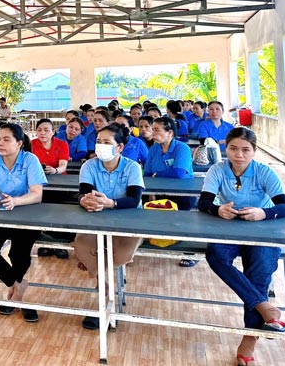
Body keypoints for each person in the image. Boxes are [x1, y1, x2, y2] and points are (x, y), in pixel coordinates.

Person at [199, 128, 285, 365]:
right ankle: (263, 306)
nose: (238, 155)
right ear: (226, 148)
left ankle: (248, 341)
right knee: (216, 255)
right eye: (233, 148)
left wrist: (264, 212)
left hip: (261, 230)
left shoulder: (264, 172)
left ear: (254, 151)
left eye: (245, 150)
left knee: (259, 271)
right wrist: (217, 209)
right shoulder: (217, 170)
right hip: (229, 229)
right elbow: (204, 202)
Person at [74, 123, 145, 330]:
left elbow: (133, 200)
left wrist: (111, 203)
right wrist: (84, 201)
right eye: (98, 142)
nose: (101, 146)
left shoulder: (132, 167)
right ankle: (105, 293)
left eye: (106, 142)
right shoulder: (89, 166)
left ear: (120, 147)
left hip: (129, 219)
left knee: (120, 254)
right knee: (81, 245)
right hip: (96, 218)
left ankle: (99, 279)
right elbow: (83, 192)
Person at [0, 123, 46, 323]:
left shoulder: (30, 160)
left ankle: (18, 297)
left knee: (18, 253)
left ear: (19, 143)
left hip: (27, 212)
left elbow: (37, 194)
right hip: (0, 212)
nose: (0, 143)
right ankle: (17, 284)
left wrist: (16, 201)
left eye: (6, 140)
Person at [144, 117, 197, 267]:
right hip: (161, 191)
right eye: (152, 129)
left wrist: (158, 175)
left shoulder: (182, 148)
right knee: (163, 220)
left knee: (183, 222)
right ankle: (164, 244)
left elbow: (179, 173)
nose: (152, 132)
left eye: (156, 129)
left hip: (183, 193)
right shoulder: (154, 149)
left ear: (170, 133)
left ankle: (189, 254)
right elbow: (147, 173)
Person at [31, 119, 73, 259]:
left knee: (59, 212)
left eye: (46, 130)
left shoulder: (62, 144)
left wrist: (55, 170)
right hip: (39, 183)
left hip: (60, 183)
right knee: (42, 212)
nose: (42, 133)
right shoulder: (32, 145)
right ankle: (46, 243)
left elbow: (63, 165)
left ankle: (60, 244)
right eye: (39, 130)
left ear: (53, 132)